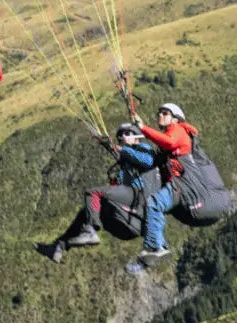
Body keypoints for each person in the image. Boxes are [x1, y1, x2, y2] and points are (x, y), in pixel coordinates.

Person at [49, 123, 158, 264]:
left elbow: (148, 161)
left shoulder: (144, 148)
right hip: (129, 214)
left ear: (137, 137)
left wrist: (124, 150)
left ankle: (90, 231)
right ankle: (58, 246)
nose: (122, 138)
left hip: (139, 199)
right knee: (87, 211)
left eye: (126, 134)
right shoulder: (126, 161)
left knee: (92, 193)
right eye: (120, 137)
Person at [133, 101, 199, 265]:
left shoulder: (178, 130)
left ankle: (155, 247)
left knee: (154, 204)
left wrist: (143, 128)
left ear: (175, 119)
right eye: (159, 113)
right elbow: (155, 158)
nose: (160, 116)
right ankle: (160, 246)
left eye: (165, 113)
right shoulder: (170, 139)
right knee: (155, 206)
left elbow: (168, 141)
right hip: (178, 185)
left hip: (181, 185)